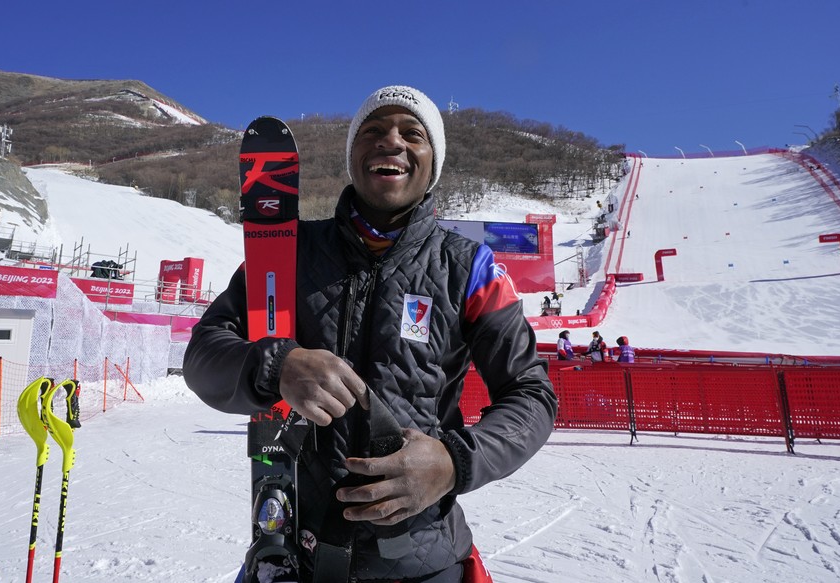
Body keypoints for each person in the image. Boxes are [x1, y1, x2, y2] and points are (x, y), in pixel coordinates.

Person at [183, 85, 558, 583]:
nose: (392, 142)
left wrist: (452, 461)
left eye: (413, 134)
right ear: (353, 155)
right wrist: (276, 365)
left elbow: (531, 394)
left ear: (432, 161)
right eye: (374, 131)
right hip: (297, 554)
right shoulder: (288, 252)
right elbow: (203, 357)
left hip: (423, 558)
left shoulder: (470, 268)